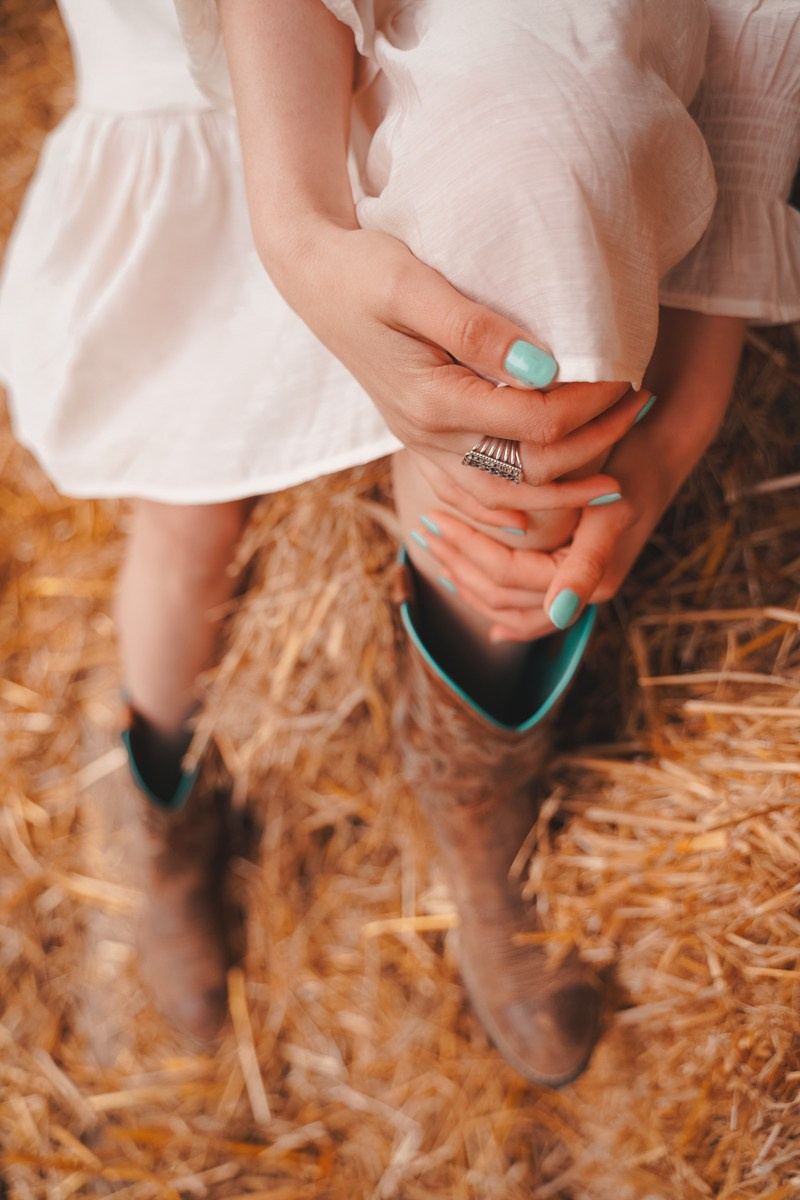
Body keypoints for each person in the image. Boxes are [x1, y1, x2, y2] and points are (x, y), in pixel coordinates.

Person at [1, 0, 797, 1084]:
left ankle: (477, 823)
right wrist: (293, 231)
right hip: (203, 123)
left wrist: (672, 428)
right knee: (185, 521)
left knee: (516, 407)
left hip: (411, 87)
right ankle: (161, 804)